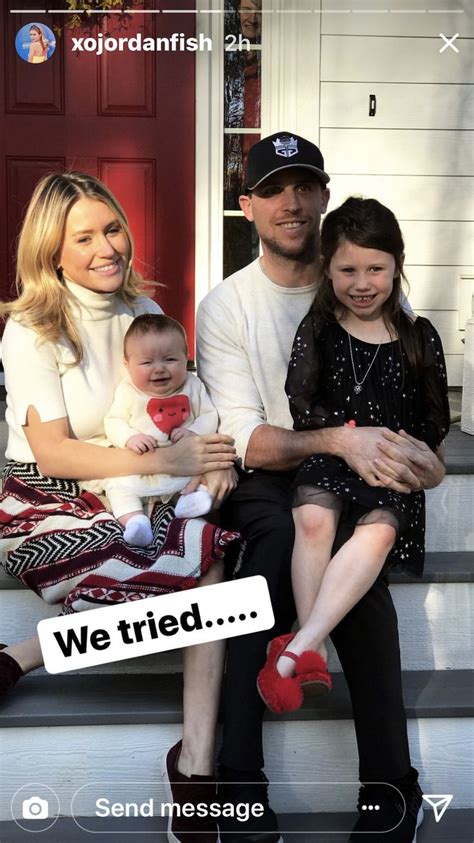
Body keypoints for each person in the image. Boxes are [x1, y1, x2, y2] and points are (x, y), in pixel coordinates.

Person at [196, 132, 446, 843]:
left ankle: (389, 788)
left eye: (305, 185)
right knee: (271, 547)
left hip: (359, 475)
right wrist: (340, 439)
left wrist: (424, 465)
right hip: (272, 472)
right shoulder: (227, 306)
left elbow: (418, 415)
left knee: (360, 574)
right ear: (247, 206)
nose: (293, 201)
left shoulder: (354, 277)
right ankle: (239, 785)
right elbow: (248, 439)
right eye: (274, 189)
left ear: (325, 195)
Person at [0, 171, 239, 843]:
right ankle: (27, 652)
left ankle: (194, 767)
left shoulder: (143, 316)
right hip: (53, 491)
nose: (107, 247)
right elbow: (54, 453)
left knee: (210, 566)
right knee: (182, 582)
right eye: (84, 236)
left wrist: (212, 466)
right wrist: (167, 462)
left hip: (137, 480)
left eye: (112, 228)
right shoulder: (30, 328)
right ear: (53, 250)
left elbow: (189, 413)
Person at [257, 197, 450, 719]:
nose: (361, 282)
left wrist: (409, 451)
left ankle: (301, 643)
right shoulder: (318, 329)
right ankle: (312, 651)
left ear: (396, 267)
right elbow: (302, 403)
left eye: (375, 269)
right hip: (334, 455)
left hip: (390, 464)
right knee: (314, 519)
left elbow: (435, 415)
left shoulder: (418, 336)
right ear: (327, 269)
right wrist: (344, 437)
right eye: (347, 270)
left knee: (382, 530)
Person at [83, 313, 217, 547]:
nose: (159, 369)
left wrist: (193, 432)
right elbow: (114, 420)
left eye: (170, 359)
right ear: (127, 365)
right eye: (147, 363)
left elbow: (209, 415)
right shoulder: (128, 391)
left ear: (186, 357)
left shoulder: (192, 386)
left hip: (182, 465)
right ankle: (135, 522)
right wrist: (129, 438)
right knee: (117, 487)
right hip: (139, 464)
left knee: (201, 479)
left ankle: (188, 504)